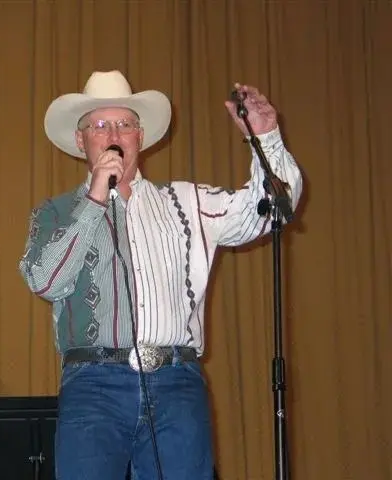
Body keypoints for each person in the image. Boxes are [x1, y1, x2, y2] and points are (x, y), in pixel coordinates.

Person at [18, 70, 302, 480]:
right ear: (82, 140)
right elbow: (45, 280)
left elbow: (272, 209)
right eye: (100, 125)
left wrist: (267, 138)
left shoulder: (187, 201)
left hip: (175, 384)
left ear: (140, 137)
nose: (113, 132)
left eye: (125, 124)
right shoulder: (54, 213)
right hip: (93, 387)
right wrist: (96, 197)